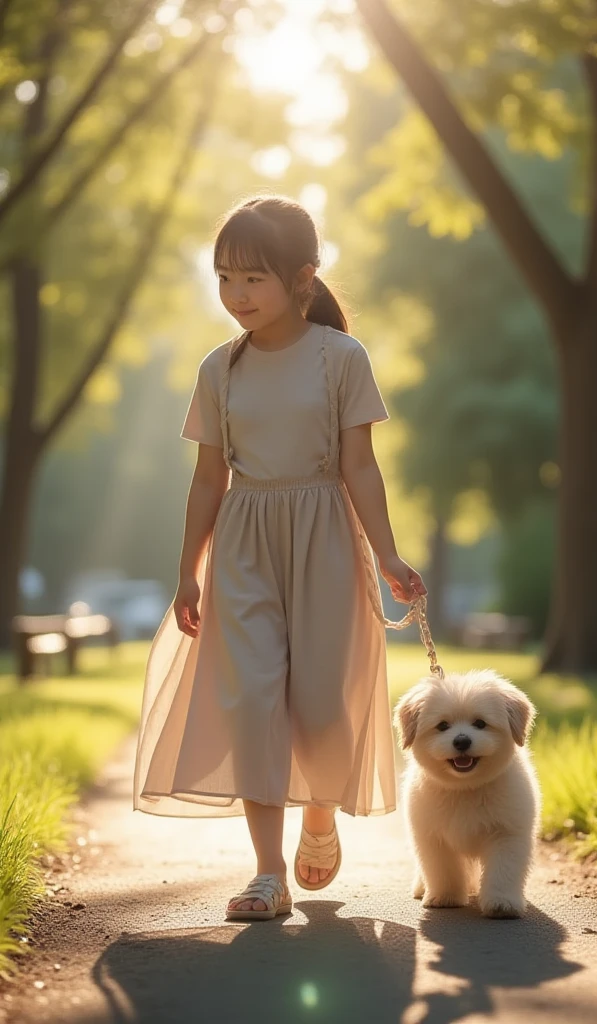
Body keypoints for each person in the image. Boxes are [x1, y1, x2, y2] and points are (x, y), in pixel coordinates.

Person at [132, 194, 426, 921]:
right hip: (243, 542)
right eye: (224, 278)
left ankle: (319, 812)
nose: (236, 294)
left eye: (253, 278)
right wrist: (187, 571)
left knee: (322, 703)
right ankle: (268, 873)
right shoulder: (218, 369)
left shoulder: (342, 358)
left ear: (301, 279)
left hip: (325, 535)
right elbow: (208, 478)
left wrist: (388, 555)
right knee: (253, 701)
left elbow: (361, 466)